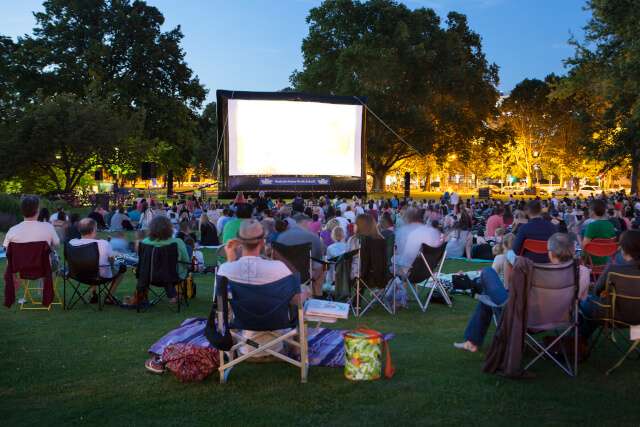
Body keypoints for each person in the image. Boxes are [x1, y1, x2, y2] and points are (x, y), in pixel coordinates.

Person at [454, 233, 590, 353]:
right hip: (561, 319)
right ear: (573, 251)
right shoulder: (583, 272)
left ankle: (472, 340)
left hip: (524, 319)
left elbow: (519, 294)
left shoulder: (538, 271)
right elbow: (580, 300)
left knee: (487, 273)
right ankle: (472, 339)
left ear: (550, 252)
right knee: (488, 294)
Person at [217, 220, 297, 359]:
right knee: (299, 304)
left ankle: (230, 353)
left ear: (239, 242)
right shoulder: (280, 268)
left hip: (243, 336)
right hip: (277, 337)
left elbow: (219, 303)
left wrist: (231, 260)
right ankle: (296, 351)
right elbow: (296, 299)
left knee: (225, 310)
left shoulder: (226, 269)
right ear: (262, 242)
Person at [580, 230, 640, 340]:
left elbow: (597, 291)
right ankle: (579, 341)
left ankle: (579, 342)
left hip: (612, 317)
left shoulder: (614, 268)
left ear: (622, 247)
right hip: (638, 320)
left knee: (585, 303)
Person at [68, 218, 127, 304]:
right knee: (121, 269)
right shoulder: (103, 243)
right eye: (96, 228)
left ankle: (93, 294)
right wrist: (121, 258)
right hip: (99, 276)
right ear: (93, 230)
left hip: (77, 274)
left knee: (92, 265)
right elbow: (113, 259)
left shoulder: (72, 242)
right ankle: (108, 297)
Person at [140, 216, 190, 304]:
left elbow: (142, 261)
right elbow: (186, 261)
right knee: (170, 268)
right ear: (169, 228)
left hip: (148, 276)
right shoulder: (177, 242)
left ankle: (143, 296)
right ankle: (173, 295)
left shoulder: (145, 242)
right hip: (173, 276)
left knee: (163, 268)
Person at [275, 213, 325, 296]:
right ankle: (316, 297)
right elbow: (318, 265)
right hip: (305, 279)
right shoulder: (313, 237)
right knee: (324, 267)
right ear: (305, 222)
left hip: (285, 278)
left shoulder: (281, 237)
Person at [396, 208, 443, 272]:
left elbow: (405, 255)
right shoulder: (433, 231)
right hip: (431, 269)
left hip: (412, 271)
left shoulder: (403, 231)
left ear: (407, 219)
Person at [582, 198, 617, 265]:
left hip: (592, 262)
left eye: (589, 209)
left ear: (592, 211)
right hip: (607, 262)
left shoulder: (592, 226)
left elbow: (584, 246)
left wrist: (582, 258)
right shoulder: (610, 225)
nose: (588, 211)